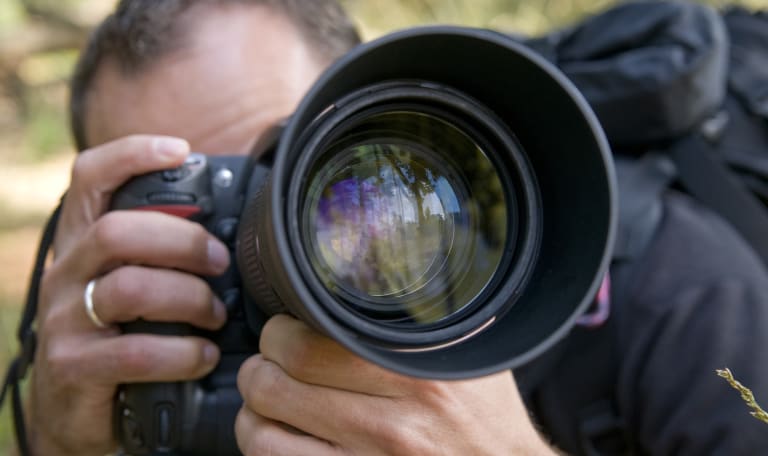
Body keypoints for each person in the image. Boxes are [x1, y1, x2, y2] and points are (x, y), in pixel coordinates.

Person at [21, 0, 768, 455]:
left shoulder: (685, 299)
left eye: (283, 162)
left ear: (363, 97)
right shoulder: (138, 366)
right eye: (177, 197)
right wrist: (57, 441)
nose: (254, 228)